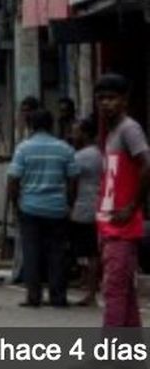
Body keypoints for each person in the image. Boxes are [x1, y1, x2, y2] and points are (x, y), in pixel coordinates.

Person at [93, 74, 150, 327]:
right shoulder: (111, 132)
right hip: (110, 224)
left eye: (112, 98)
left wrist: (132, 206)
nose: (106, 104)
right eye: (102, 99)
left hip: (122, 227)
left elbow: (147, 165)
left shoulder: (129, 129)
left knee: (114, 292)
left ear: (124, 100)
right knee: (124, 294)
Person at [7, 109, 76, 308]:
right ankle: (58, 296)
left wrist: (16, 204)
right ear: (51, 125)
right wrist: (69, 203)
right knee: (57, 253)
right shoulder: (65, 149)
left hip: (30, 207)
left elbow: (13, 180)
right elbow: (73, 180)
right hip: (57, 208)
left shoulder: (23, 149)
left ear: (30, 126)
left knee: (32, 252)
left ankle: (33, 296)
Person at [69, 115, 102, 308]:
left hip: (85, 208)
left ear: (86, 133)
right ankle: (89, 288)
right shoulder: (98, 153)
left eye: (76, 131)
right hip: (94, 205)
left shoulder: (81, 157)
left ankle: (90, 291)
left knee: (89, 252)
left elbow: (71, 183)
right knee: (91, 251)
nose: (73, 135)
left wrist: (69, 204)